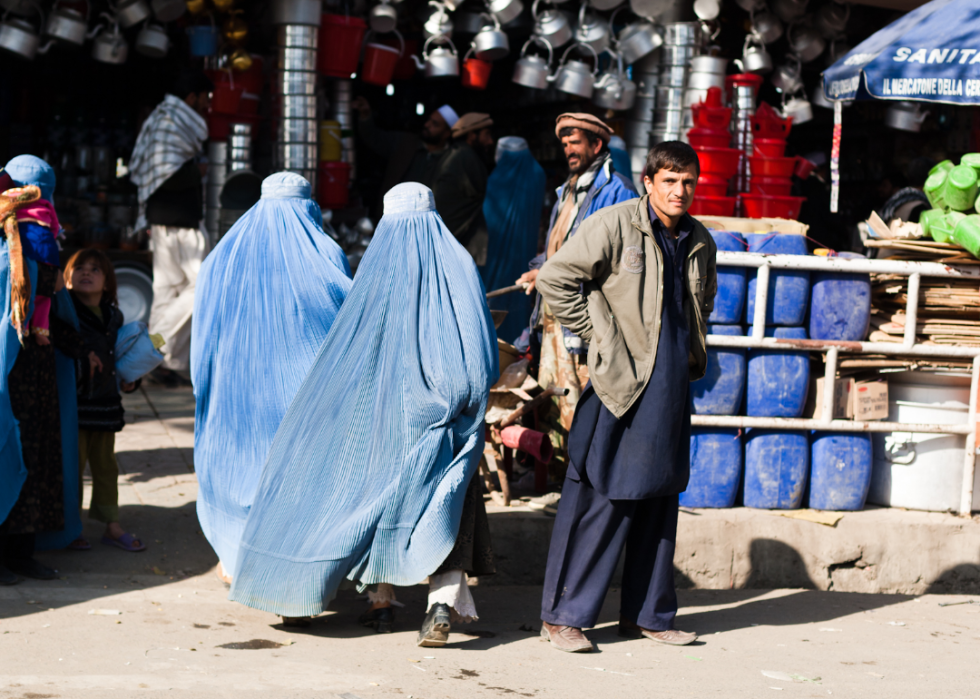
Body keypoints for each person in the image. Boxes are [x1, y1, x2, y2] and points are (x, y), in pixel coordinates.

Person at [229, 183, 498, 648]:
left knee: (370, 502)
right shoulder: (457, 263)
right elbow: (481, 356)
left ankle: (369, 600)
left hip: (382, 419)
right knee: (450, 507)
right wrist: (461, 402)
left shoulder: (375, 266)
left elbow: (349, 351)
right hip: (447, 418)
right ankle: (439, 606)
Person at [535, 141, 717, 652]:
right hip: (621, 386)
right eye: (670, 181)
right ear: (648, 182)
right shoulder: (616, 225)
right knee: (601, 497)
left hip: (671, 389)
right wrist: (600, 336)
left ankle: (649, 615)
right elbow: (556, 278)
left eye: (688, 182)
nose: (680, 191)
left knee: (659, 501)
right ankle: (563, 617)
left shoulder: (700, 239)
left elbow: (701, 302)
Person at [191, 173, 352, 587]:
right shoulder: (326, 254)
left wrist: (203, 382)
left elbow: (203, 333)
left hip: (235, 392)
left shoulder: (221, 257)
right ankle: (290, 572)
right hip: (302, 395)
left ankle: (233, 559)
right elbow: (346, 320)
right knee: (294, 482)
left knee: (237, 471)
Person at [515, 113, 637, 479]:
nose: (568, 149)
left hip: (585, 314)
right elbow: (557, 247)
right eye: (565, 143)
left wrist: (551, 272)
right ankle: (560, 475)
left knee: (584, 399)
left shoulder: (617, 191)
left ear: (596, 146)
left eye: (576, 142)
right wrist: (539, 268)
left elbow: (612, 260)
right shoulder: (568, 190)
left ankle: (586, 479)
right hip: (553, 315)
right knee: (556, 397)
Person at [0, 158, 94, 583]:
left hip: (32, 372)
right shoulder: (14, 238)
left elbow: (53, 310)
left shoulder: (42, 237)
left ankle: (21, 553)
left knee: (29, 461)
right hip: (14, 370)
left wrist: (81, 349)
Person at [128, 70, 213, 385]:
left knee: (167, 289)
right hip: (178, 223)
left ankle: (157, 364)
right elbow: (167, 175)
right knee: (203, 286)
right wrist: (197, 172)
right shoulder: (170, 122)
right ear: (192, 97)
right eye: (206, 97)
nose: (208, 105)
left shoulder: (167, 119)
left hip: (166, 221)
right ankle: (152, 347)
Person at [64, 249, 144, 552]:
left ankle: (111, 524)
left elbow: (118, 355)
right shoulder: (66, 313)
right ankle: (71, 527)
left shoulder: (115, 316)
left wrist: (131, 377)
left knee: (106, 467)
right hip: (77, 404)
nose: (86, 272)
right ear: (67, 279)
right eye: (79, 268)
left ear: (108, 282)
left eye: (95, 270)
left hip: (106, 403)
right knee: (73, 468)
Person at [353, 98, 490, 264]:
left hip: (422, 236)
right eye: (429, 121)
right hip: (390, 226)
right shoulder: (406, 143)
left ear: (447, 133)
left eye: (435, 124)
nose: (427, 125)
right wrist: (366, 116)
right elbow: (374, 138)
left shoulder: (453, 159)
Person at [481, 136, 546, 344]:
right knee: (519, 295)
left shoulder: (496, 178)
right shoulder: (537, 173)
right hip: (525, 252)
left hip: (492, 254)